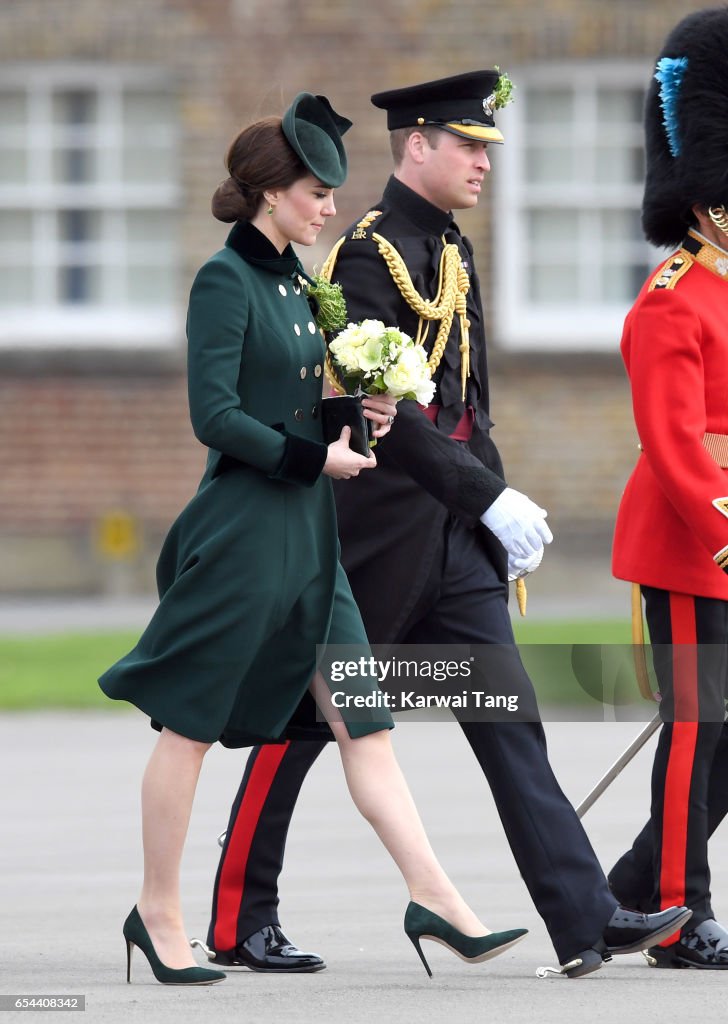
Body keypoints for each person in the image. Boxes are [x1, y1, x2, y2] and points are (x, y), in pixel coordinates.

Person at [202, 71, 690, 980]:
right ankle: (238, 915)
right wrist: (486, 498)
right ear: (416, 144)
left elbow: (467, 405)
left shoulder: (450, 247)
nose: (482, 163)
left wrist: (494, 508)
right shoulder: (369, 252)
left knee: (511, 717)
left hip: (454, 542)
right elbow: (398, 415)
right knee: (307, 723)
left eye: (487, 148)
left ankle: (587, 921)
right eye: (467, 145)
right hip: (376, 538)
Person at [99, 91, 528, 986]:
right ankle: (159, 912)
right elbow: (214, 416)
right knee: (187, 729)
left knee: (363, 720)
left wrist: (359, 415)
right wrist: (310, 457)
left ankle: (437, 899)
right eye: (314, 192)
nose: (331, 207)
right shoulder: (228, 281)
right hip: (248, 534)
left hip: (311, 538)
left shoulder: (303, 283)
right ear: (269, 195)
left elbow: (302, 397)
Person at [607, 7, 728, 970]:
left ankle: (631, 890)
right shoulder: (670, 299)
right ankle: (681, 912)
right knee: (697, 726)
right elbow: (679, 447)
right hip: (695, 547)